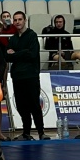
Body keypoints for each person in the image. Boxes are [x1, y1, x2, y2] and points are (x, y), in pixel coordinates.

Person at [5, 11, 50, 141]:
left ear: (25, 20)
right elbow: (7, 57)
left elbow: (32, 54)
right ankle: (26, 133)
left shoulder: (32, 35)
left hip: (31, 76)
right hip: (17, 77)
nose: (17, 22)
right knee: (21, 106)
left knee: (34, 105)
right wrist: (22, 53)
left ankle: (41, 132)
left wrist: (16, 53)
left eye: (20, 19)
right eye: (15, 20)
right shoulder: (13, 38)